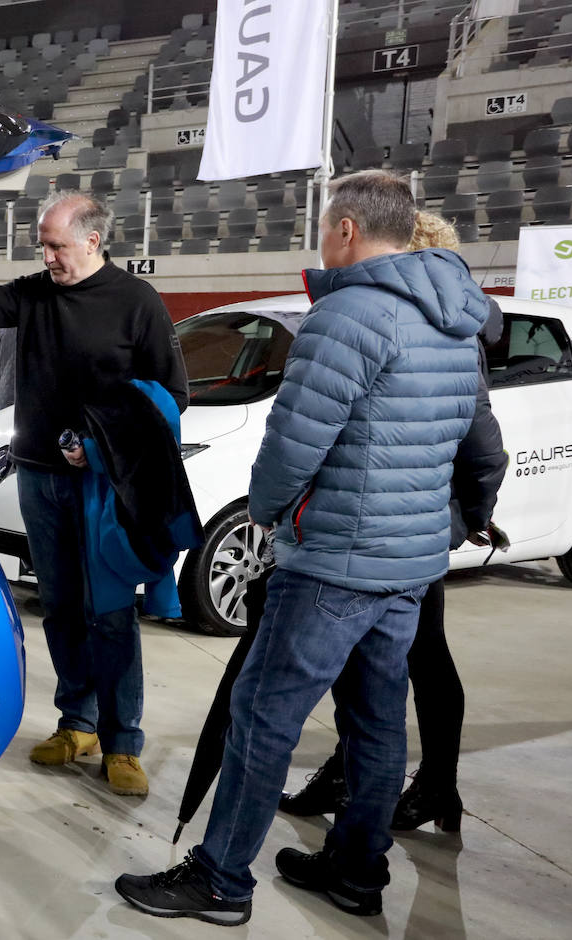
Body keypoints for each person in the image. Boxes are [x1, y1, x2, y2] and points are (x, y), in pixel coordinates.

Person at [115, 171, 490, 925]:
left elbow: (293, 445)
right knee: (377, 720)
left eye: (326, 226)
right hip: (410, 563)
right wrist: (460, 519)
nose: (322, 238)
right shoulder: (461, 319)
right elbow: (483, 446)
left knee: (264, 714)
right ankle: (356, 871)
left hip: (334, 562)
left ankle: (220, 879)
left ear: (346, 229)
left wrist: (268, 513)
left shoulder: (347, 315)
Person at [0, 190, 188, 796]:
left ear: (93, 241)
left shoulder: (136, 302)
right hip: (41, 476)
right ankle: (77, 723)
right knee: (62, 607)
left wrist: (101, 448)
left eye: (56, 245)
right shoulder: (35, 294)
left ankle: (122, 739)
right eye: (42, 245)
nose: (47, 256)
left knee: (110, 612)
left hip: (103, 485)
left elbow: (171, 396)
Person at [280, 210, 507, 833]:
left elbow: (482, 441)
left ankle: (431, 784)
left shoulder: (432, 325)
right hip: (418, 518)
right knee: (391, 667)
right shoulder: (449, 319)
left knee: (411, 664)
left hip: (408, 519)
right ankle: (367, 785)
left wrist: (470, 516)